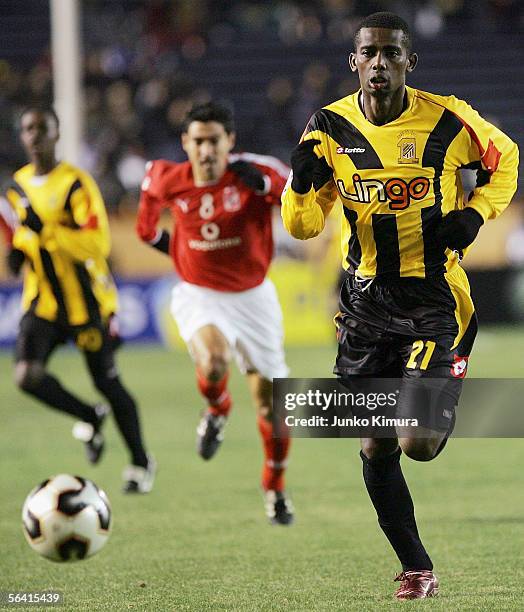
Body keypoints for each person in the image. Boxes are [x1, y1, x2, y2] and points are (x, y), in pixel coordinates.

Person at [282, 12, 518, 599]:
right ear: (353, 62)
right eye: (370, 54)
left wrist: (475, 212)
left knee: (418, 441)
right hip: (365, 304)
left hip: (435, 295)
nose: (380, 63)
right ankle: (418, 568)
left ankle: (440, 396)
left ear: (409, 62)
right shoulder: (328, 127)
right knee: (373, 444)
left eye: (391, 54)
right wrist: (300, 183)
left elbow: (507, 158)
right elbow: (304, 227)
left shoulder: (446, 117)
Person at [136, 102, 294, 524]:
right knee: (213, 361)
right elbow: (145, 227)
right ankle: (218, 408)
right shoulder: (166, 177)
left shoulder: (257, 170)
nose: (206, 151)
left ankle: (274, 488)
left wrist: (266, 188)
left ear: (230, 142)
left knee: (271, 407)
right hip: (200, 295)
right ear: (185, 143)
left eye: (214, 141)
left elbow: (303, 209)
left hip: (254, 299)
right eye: (198, 141)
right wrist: (179, 254)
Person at [3, 106, 155, 493]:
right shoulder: (16, 187)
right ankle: (90, 416)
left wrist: (47, 232)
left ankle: (140, 462)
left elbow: (96, 243)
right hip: (43, 303)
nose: (35, 135)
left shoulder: (76, 184)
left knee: (108, 383)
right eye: (28, 128)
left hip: (87, 304)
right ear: (21, 136)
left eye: (42, 128)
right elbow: (21, 234)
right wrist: (18, 250)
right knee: (26, 376)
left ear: (57, 134)